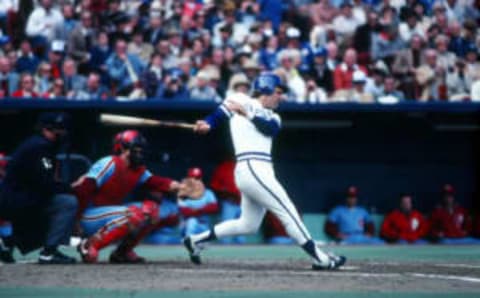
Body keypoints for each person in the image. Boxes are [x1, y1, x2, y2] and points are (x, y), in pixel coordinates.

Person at [183, 73, 346, 270]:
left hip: (260, 171)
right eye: (277, 92)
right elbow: (218, 115)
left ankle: (196, 240)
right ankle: (321, 258)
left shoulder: (274, 117)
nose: (281, 96)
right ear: (266, 90)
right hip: (251, 167)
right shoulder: (240, 98)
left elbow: (269, 129)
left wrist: (247, 113)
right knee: (288, 211)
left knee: (248, 224)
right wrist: (207, 124)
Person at [73, 130, 181, 263]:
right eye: (136, 150)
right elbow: (84, 189)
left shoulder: (138, 169)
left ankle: (122, 252)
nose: (140, 154)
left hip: (110, 215)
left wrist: (179, 186)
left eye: (141, 151)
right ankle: (89, 245)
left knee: (151, 211)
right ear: (122, 148)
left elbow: (156, 182)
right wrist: (76, 220)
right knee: (132, 214)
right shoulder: (109, 162)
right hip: (87, 216)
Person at [0, 112, 78, 264]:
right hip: (16, 201)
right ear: (45, 130)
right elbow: (46, 184)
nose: (61, 133)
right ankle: (49, 252)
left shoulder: (39, 144)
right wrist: (70, 187)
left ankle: (7, 243)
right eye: (57, 130)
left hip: (19, 198)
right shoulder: (40, 146)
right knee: (67, 202)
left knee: (52, 203)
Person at [177, 167, 219, 237]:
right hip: (187, 226)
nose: (195, 180)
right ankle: (189, 242)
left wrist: (196, 210)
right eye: (193, 178)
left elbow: (214, 207)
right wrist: (204, 209)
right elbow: (185, 212)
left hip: (204, 225)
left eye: (197, 178)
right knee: (192, 221)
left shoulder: (208, 193)